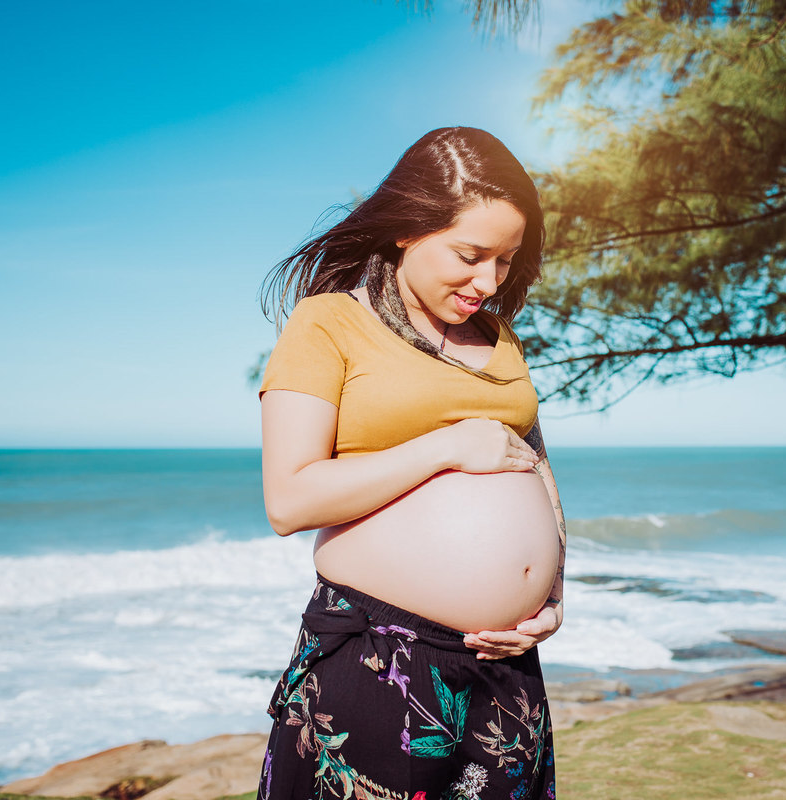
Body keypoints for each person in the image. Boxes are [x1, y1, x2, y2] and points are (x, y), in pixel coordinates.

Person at [255, 127, 565, 800]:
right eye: (470, 254)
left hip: (504, 666)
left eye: (506, 260)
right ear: (406, 228)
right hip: (381, 657)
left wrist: (553, 590)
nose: (489, 281)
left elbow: (534, 463)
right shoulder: (327, 324)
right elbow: (289, 500)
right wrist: (445, 447)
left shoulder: (499, 338)